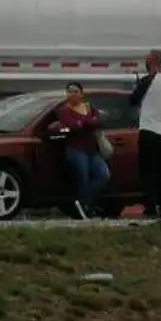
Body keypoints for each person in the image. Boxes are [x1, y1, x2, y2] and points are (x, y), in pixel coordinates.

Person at [128, 49, 161, 218]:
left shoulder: (148, 80)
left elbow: (133, 100)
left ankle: (150, 207)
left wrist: (136, 86)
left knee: (148, 172)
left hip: (149, 129)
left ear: (153, 61)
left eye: (147, 59)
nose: (145, 61)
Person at [50, 81, 110, 219]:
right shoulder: (64, 111)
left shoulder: (89, 107)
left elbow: (99, 121)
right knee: (82, 177)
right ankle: (84, 207)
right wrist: (88, 122)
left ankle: (83, 203)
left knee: (103, 175)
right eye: (69, 91)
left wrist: (85, 122)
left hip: (92, 149)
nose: (72, 94)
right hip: (76, 149)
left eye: (75, 91)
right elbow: (74, 125)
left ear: (82, 94)